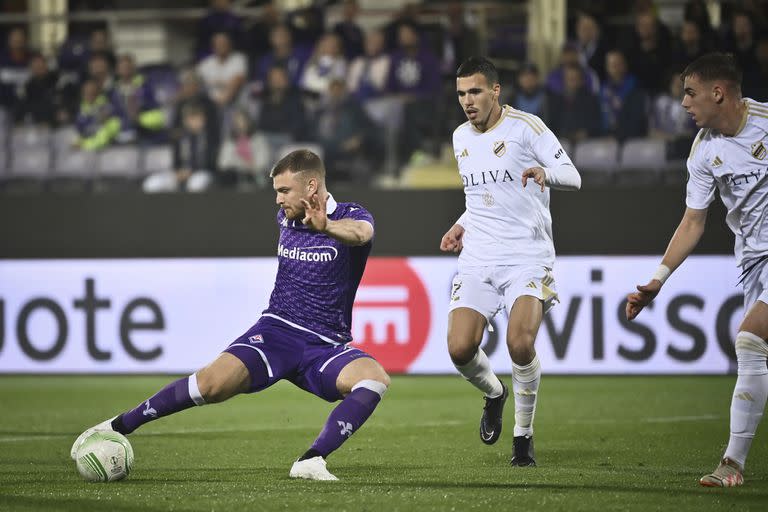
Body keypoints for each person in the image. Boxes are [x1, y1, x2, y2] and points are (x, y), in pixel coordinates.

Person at [73, 149, 389, 481]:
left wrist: (327, 227)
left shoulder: (353, 215)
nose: (278, 200)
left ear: (312, 186)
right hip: (276, 332)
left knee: (373, 379)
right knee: (209, 385)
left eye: (284, 191)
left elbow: (361, 234)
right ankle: (115, 425)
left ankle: (310, 460)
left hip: (326, 344)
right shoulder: (287, 218)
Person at [626, 52, 768, 488]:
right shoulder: (704, 151)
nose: (684, 103)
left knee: (749, 340)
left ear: (717, 92)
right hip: (753, 262)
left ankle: (732, 463)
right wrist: (658, 280)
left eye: (690, 93)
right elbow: (693, 221)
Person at [441, 57, 581, 466]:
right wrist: (461, 224)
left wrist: (545, 173)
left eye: (476, 91)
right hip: (479, 254)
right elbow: (484, 194)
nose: (468, 101)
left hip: (526, 254)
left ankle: (523, 437)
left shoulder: (526, 127)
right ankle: (494, 393)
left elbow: (573, 174)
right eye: (462, 94)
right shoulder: (460, 137)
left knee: (520, 343)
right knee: (459, 347)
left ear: (495, 91)